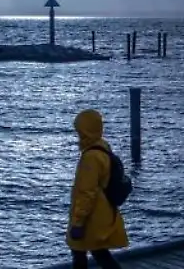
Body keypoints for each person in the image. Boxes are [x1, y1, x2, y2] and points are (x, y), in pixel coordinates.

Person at [67, 109, 129, 268]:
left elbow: (86, 192)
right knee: (99, 252)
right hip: (103, 212)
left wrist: (78, 222)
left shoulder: (90, 157)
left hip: (91, 216)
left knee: (79, 252)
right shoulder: (103, 147)